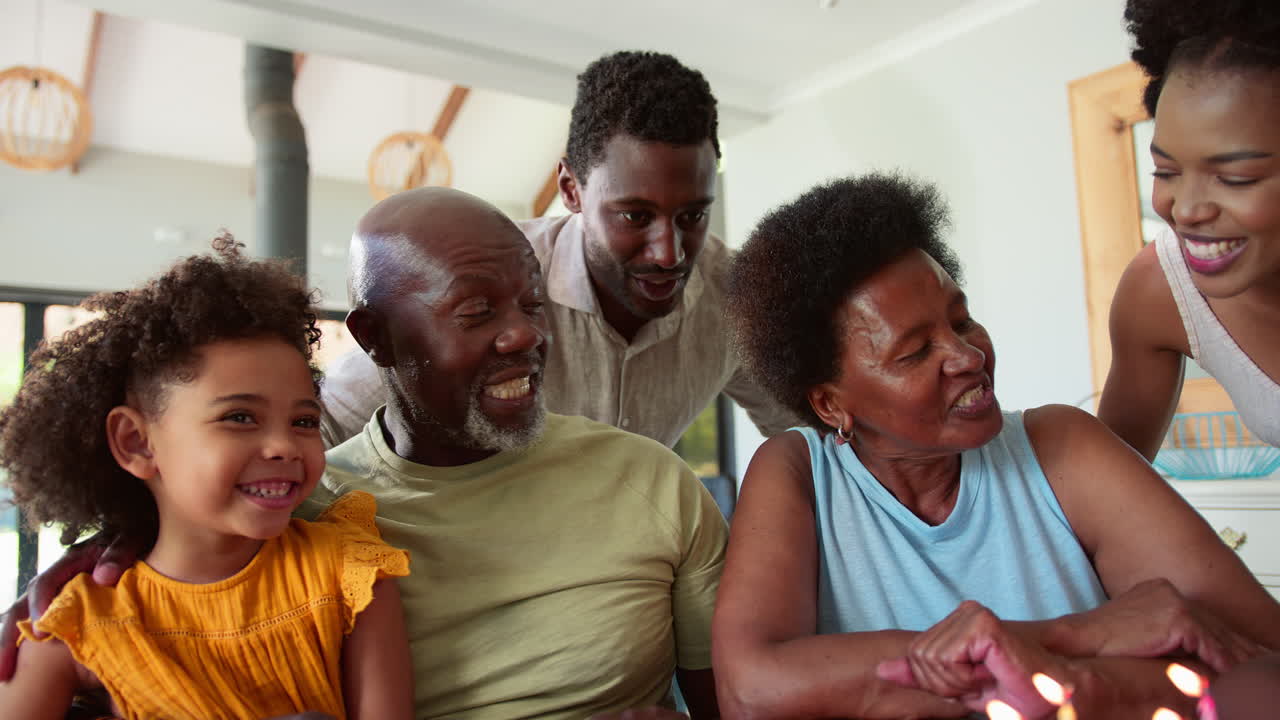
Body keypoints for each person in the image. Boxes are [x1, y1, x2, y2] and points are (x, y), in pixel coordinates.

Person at [3, 191, 727, 719]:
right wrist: (119, 536)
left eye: (532, 306)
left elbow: (735, 702)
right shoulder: (310, 517)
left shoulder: (651, 483)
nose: (525, 337)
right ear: (375, 338)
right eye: (477, 311)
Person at [710, 174, 1280, 719]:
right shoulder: (799, 473)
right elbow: (754, 691)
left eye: (963, 320)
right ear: (831, 404)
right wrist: (1073, 637)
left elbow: (1259, 653)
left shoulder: (1060, 446)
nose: (967, 356)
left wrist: (862, 684)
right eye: (913, 352)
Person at [0, 237, 412, 720]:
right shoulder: (75, 628)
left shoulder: (351, 572)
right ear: (136, 442)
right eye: (239, 417)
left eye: (303, 421)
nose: (283, 445)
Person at [320, 50, 797, 449]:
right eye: (635, 216)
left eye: (692, 216)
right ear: (571, 189)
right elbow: (327, 423)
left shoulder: (738, 296)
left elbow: (809, 437)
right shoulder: (492, 277)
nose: (669, 254)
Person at [1098, 0, 1280, 458]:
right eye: (1165, 171)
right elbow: (1107, 491)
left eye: (1235, 178)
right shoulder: (1159, 290)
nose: (1186, 211)